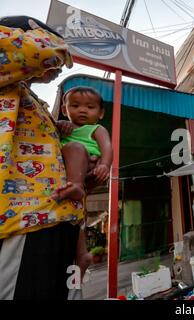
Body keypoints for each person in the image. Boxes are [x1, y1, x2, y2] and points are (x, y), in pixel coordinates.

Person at [0, 16, 84, 300]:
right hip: (25, 222)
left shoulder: (29, 99)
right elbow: (49, 51)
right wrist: (37, 27)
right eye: (56, 68)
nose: (58, 69)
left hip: (57, 218)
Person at [53, 86, 113, 277]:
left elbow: (108, 147)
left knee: (76, 148)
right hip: (67, 178)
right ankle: (82, 254)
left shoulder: (96, 128)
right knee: (77, 213)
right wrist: (59, 127)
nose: (82, 110)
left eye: (90, 107)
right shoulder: (62, 127)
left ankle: (77, 186)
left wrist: (104, 164)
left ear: (101, 113)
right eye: (76, 105)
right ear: (64, 109)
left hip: (85, 171)